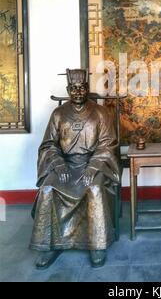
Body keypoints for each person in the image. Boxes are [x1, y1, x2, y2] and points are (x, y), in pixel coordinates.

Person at [30, 69, 120, 269]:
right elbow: (48, 145)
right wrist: (58, 163)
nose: (78, 92)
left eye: (81, 88)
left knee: (94, 189)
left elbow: (108, 145)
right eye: (73, 88)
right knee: (47, 189)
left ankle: (97, 243)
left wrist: (93, 167)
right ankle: (49, 244)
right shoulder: (58, 114)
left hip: (93, 163)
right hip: (65, 165)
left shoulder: (101, 112)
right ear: (68, 89)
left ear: (87, 89)